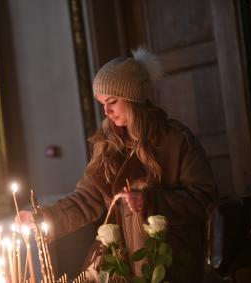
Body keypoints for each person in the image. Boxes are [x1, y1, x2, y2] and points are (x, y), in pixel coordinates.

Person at [19, 48, 218, 282]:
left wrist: (150, 201)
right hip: (119, 262)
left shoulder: (176, 141)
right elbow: (86, 198)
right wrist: (45, 218)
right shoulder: (107, 146)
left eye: (112, 101)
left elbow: (203, 199)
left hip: (167, 259)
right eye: (102, 103)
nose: (106, 111)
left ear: (133, 98)